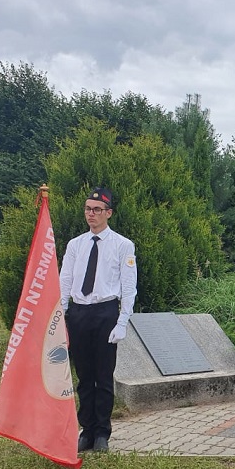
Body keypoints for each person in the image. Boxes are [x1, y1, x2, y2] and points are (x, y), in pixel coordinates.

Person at [59, 187, 137, 453]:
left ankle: (102, 432)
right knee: (84, 376)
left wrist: (122, 321)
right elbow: (65, 280)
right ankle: (87, 430)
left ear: (108, 213)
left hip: (105, 312)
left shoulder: (122, 245)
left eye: (97, 210)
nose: (91, 214)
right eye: (87, 209)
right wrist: (62, 314)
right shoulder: (75, 245)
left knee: (103, 376)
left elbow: (129, 286)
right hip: (79, 312)